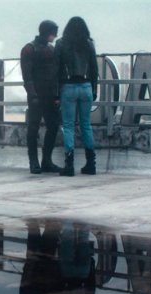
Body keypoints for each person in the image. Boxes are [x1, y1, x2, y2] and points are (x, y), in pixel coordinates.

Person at [54, 16, 98, 176]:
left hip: (68, 87)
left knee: (68, 126)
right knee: (86, 125)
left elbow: (56, 69)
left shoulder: (60, 44)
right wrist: (94, 89)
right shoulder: (89, 43)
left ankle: (69, 165)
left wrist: (56, 92)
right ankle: (91, 165)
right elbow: (94, 68)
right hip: (86, 86)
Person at [20, 20, 62, 174]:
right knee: (33, 128)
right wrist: (32, 94)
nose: (55, 35)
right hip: (37, 95)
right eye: (53, 31)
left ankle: (46, 161)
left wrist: (57, 95)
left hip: (50, 95)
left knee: (53, 126)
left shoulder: (50, 49)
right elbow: (27, 76)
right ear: (47, 31)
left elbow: (55, 75)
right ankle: (34, 162)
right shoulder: (29, 49)